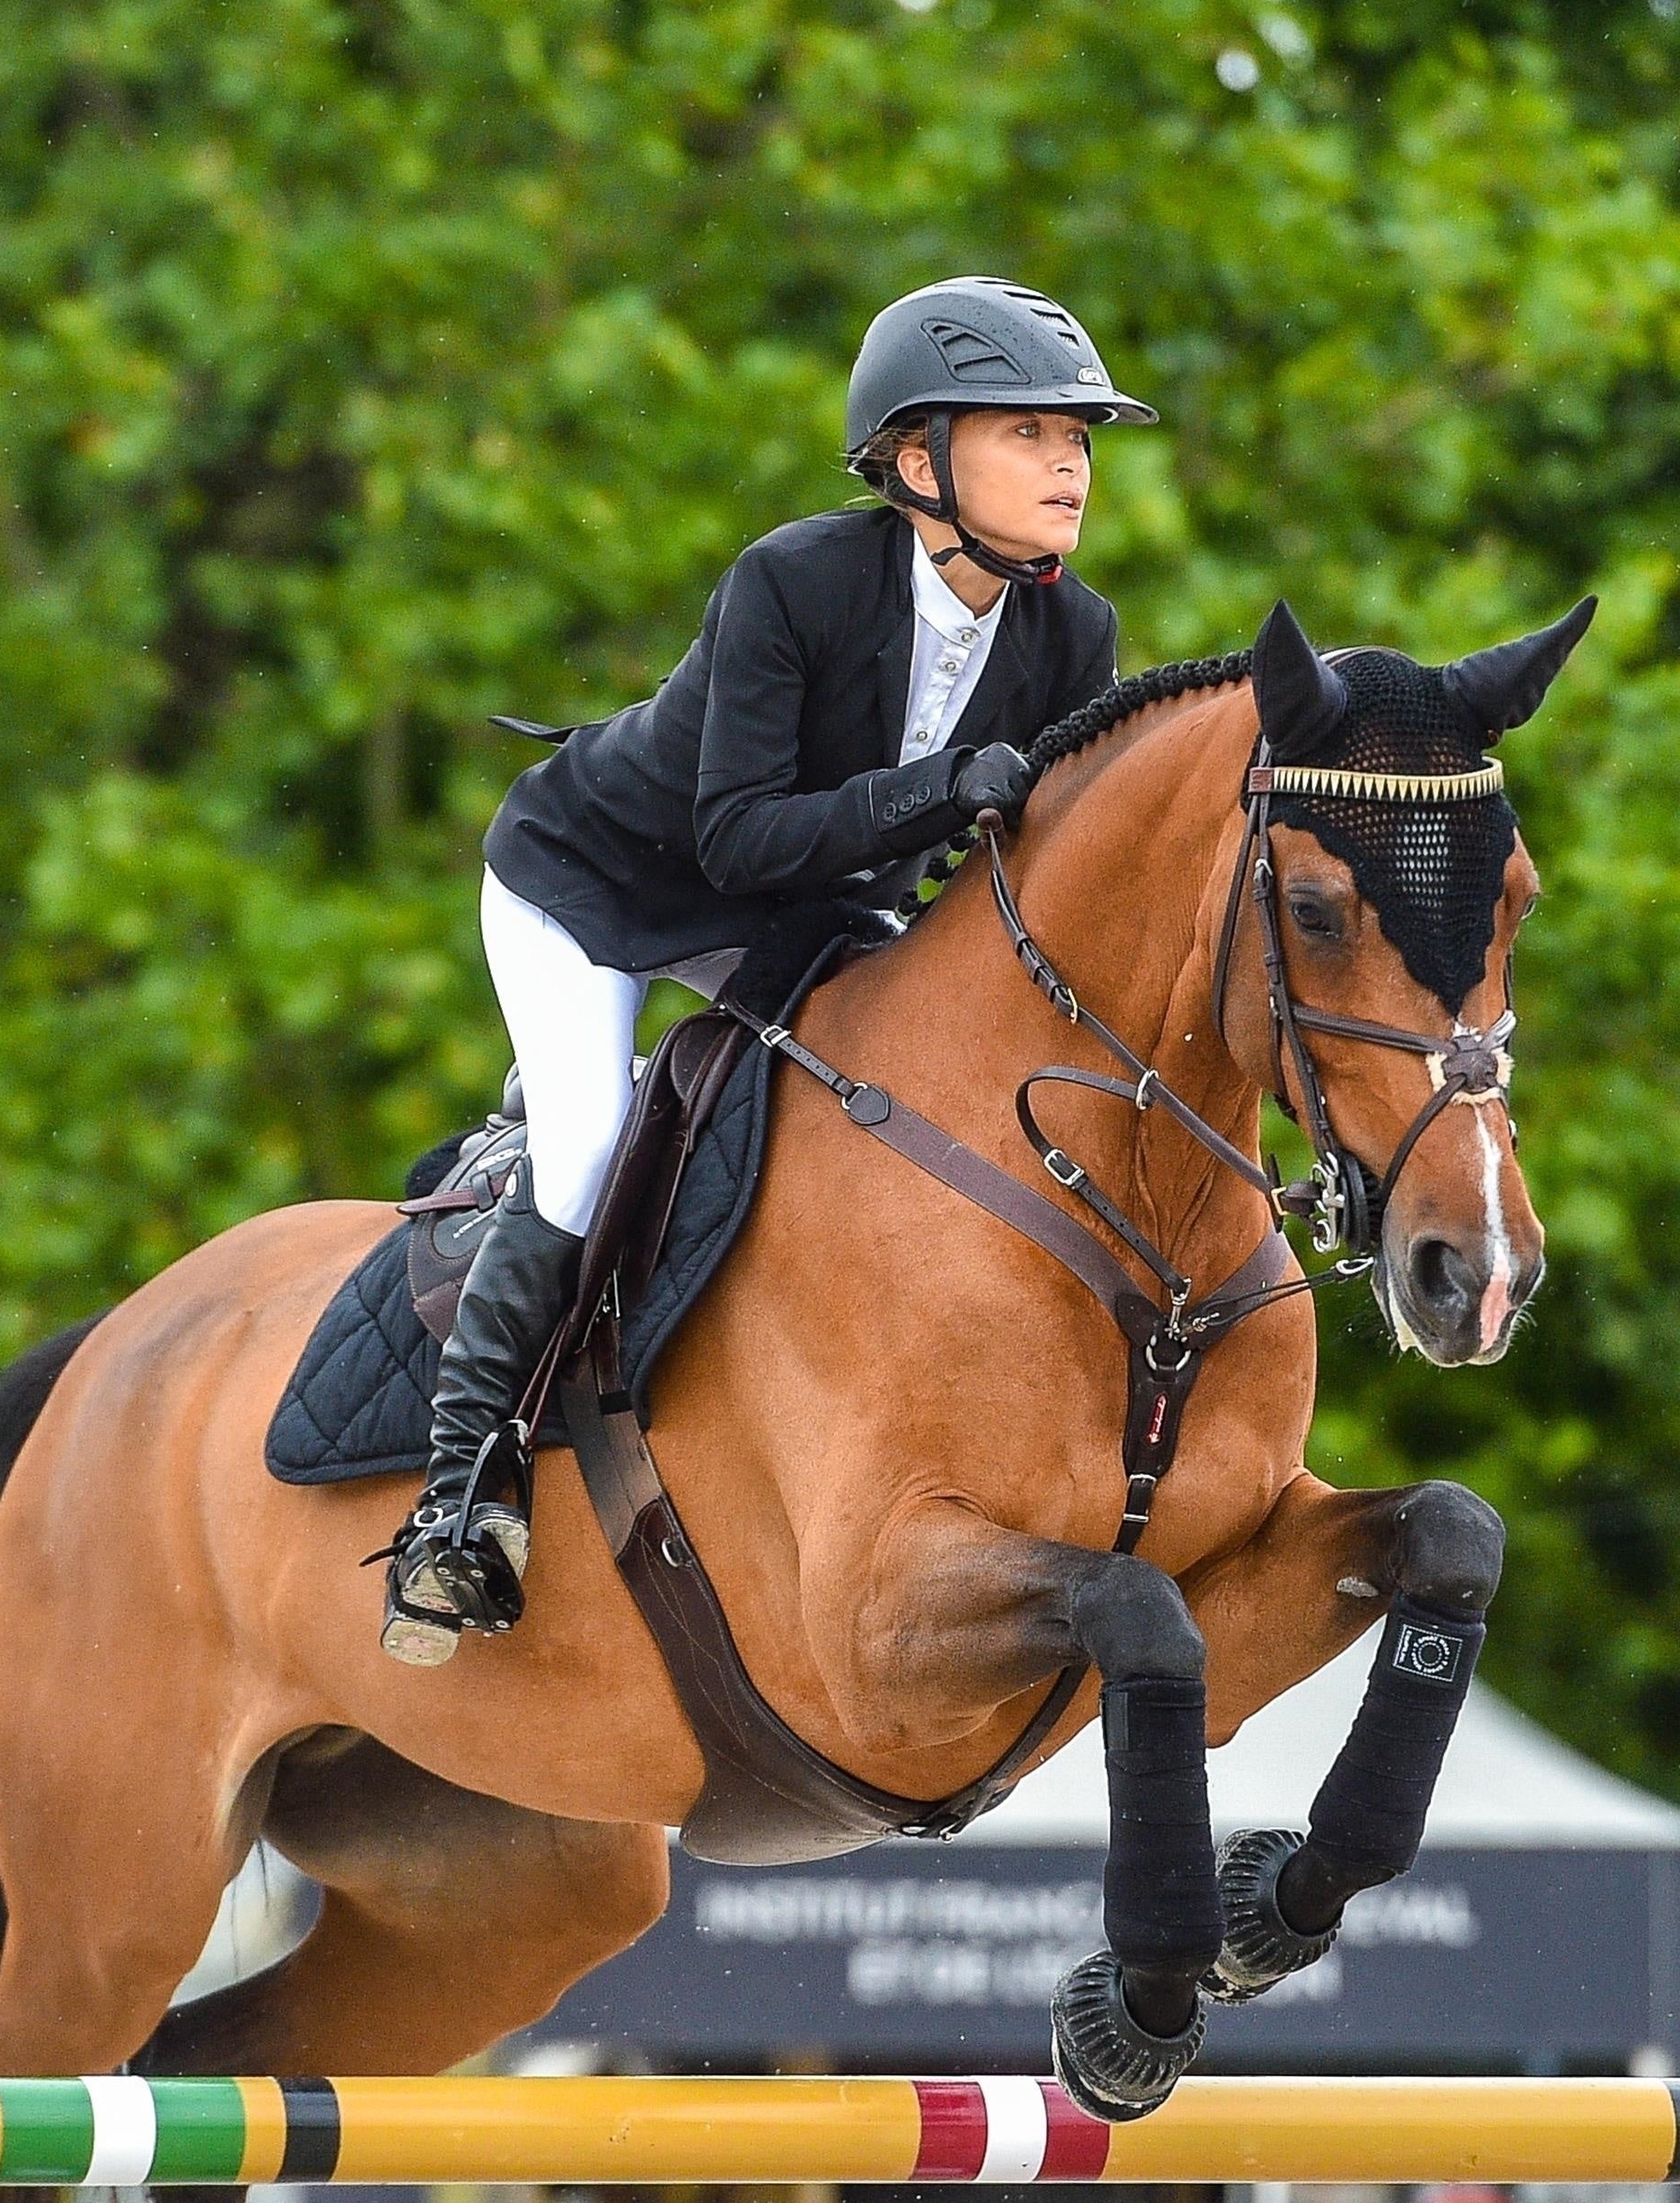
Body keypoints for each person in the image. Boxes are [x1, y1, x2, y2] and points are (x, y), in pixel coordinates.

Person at [381, 275, 1159, 1666]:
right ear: (917, 463)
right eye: (1029, 431)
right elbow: (735, 836)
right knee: (589, 1147)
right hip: (597, 883)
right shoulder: (794, 580)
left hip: (807, 906)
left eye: (1079, 438)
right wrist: (937, 789)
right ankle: (462, 1499)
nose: (1067, 464)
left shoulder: (1070, 633)